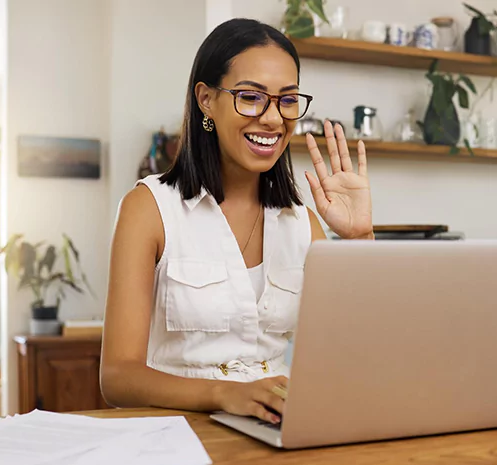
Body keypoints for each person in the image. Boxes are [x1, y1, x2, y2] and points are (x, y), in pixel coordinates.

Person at [100, 18, 373, 425]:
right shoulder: (149, 209)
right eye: (250, 97)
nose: (273, 119)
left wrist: (360, 238)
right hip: (177, 434)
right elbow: (118, 378)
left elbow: (353, 351)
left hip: (281, 428)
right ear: (206, 99)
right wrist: (224, 394)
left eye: (287, 99)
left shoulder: (304, 224)